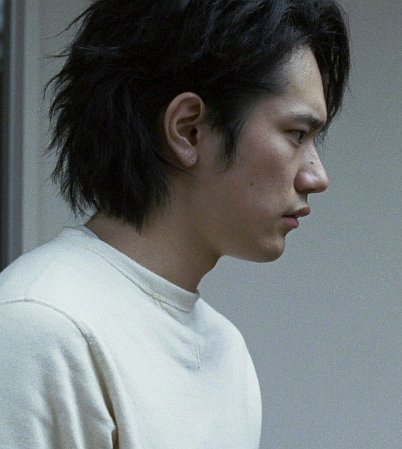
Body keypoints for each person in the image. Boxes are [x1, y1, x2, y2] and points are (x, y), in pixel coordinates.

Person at [0, 0, 349, 447]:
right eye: (297, 135)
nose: (317, 177)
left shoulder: (226, 352)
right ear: (188, 130)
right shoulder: (43, 329)